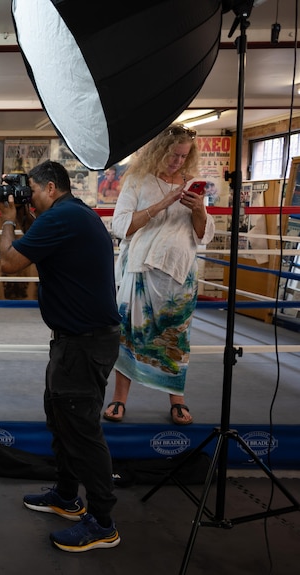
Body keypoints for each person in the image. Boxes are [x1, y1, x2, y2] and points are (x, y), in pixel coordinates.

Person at [0, 160, 121, 553]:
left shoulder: (65, 217)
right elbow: (39, 247)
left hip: (84, 343)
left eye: (29, 190)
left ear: (51, 188)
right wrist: (26, 213)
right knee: (62, 419)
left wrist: (7, 219)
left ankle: (103, 523)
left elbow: (9, 261)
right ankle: (67, 497)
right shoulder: (71, 213)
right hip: (75, 341)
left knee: (82, 431)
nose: (24, 197)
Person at [102, 124, 215, 426]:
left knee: (175, 337)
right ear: (158, 152)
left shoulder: (193, 184)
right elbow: (120, 227)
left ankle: (177, 400)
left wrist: (199, 210)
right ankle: (119, 398)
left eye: (183, 156)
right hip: (140, 272)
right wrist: (163, 203)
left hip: (179, 275)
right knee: (129, 334)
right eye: (173, 155)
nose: (178, 162)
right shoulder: (138, 181)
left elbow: (204, 235)